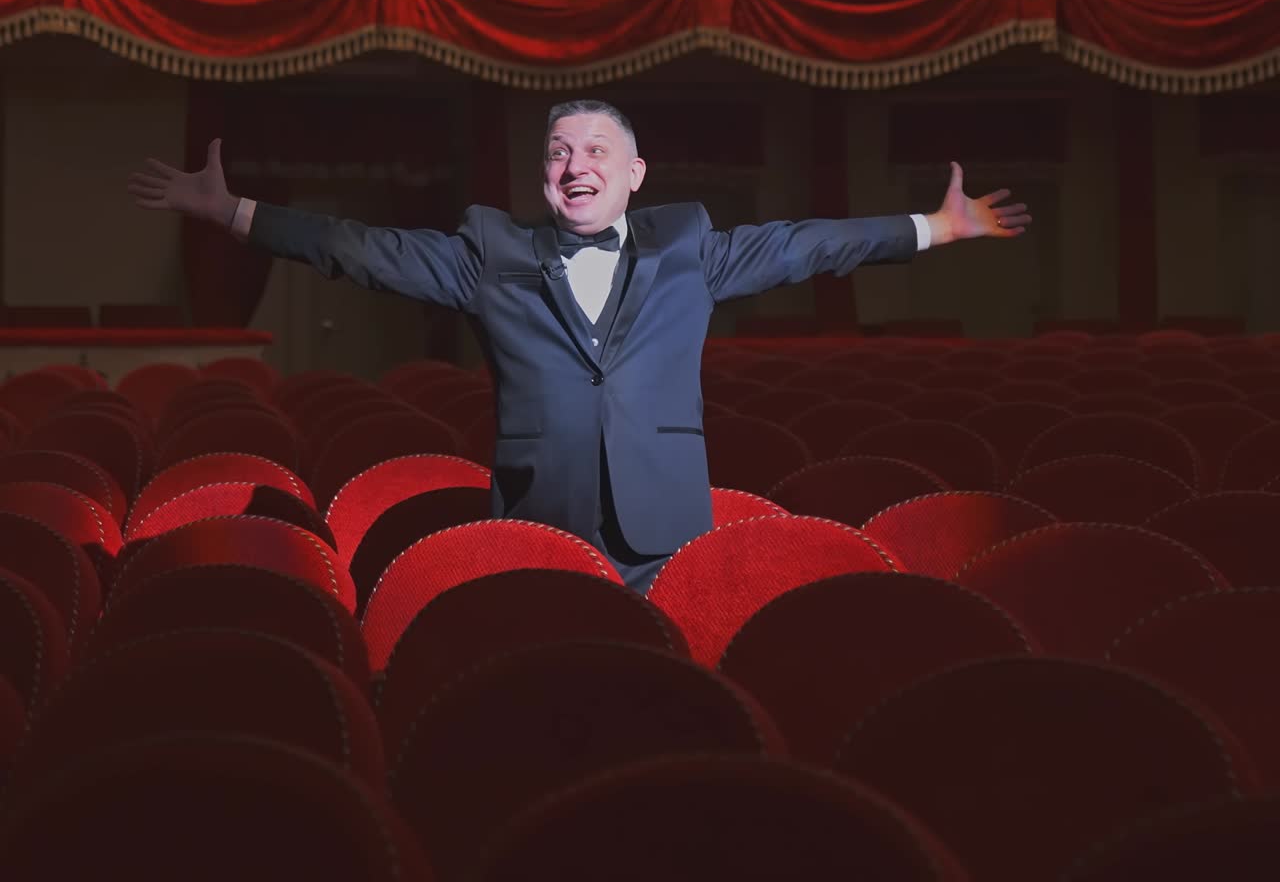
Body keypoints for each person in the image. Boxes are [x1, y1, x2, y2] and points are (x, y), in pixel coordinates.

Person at [128, 98, 1030, 593]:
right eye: (560, 150)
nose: (576, 162)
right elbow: (365, 252)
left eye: (597, 147)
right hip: (536, 515)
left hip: (664, 527)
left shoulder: (689, 251)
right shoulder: (492, 254)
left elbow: (807, 244)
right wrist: (236, 214)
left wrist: (935, 228)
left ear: (634, 174)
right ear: (544, 175)